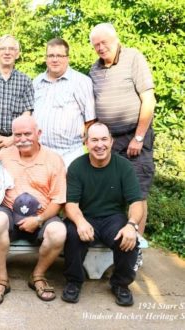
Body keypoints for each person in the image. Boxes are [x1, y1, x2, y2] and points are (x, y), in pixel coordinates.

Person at [89, 23, 156, 270]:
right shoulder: (94, 69)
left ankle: (134, 246)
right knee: (110, 191)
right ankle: (113, 243)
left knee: (136, 192)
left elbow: (148, 99)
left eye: (104, 42)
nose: (100, 48)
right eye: (95, 44)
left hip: (134, 137)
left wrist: (139, 137)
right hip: (108, 141)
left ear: (116, 39)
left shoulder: (133, 58)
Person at [0, 116, 67, 305]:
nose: (22, 139)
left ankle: (38, 275)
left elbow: (58, 201)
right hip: (9, 211)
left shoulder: (54, 160)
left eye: (27, 134)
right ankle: (1, 278)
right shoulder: (2, 156)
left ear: (38, 134)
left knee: (59, 232)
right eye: (18, 134)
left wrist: (39, 219)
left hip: (43, 214)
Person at [62, 122, 143, 307]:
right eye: (95, 140)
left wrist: (131, 225)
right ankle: (74, 282)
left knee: (127, 238)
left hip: (113, 218)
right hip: (85, 215)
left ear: (112, 141)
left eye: (104, 139)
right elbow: (71, 204)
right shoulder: (76, 167)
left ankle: (121, 285)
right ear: (87, 143)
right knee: (73, 234)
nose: (100, 145)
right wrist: (80, 222)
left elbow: (136, 203)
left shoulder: (124, 167)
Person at [33, 38, 96, 168]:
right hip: (40, 153)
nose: (55, 60)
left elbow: (90, 119)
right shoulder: (36, 82)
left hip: (70, 154)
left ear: (67, 58)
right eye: (51, 55)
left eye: (59, 56)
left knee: (69, 189)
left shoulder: (81, 81)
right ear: (46, 58)